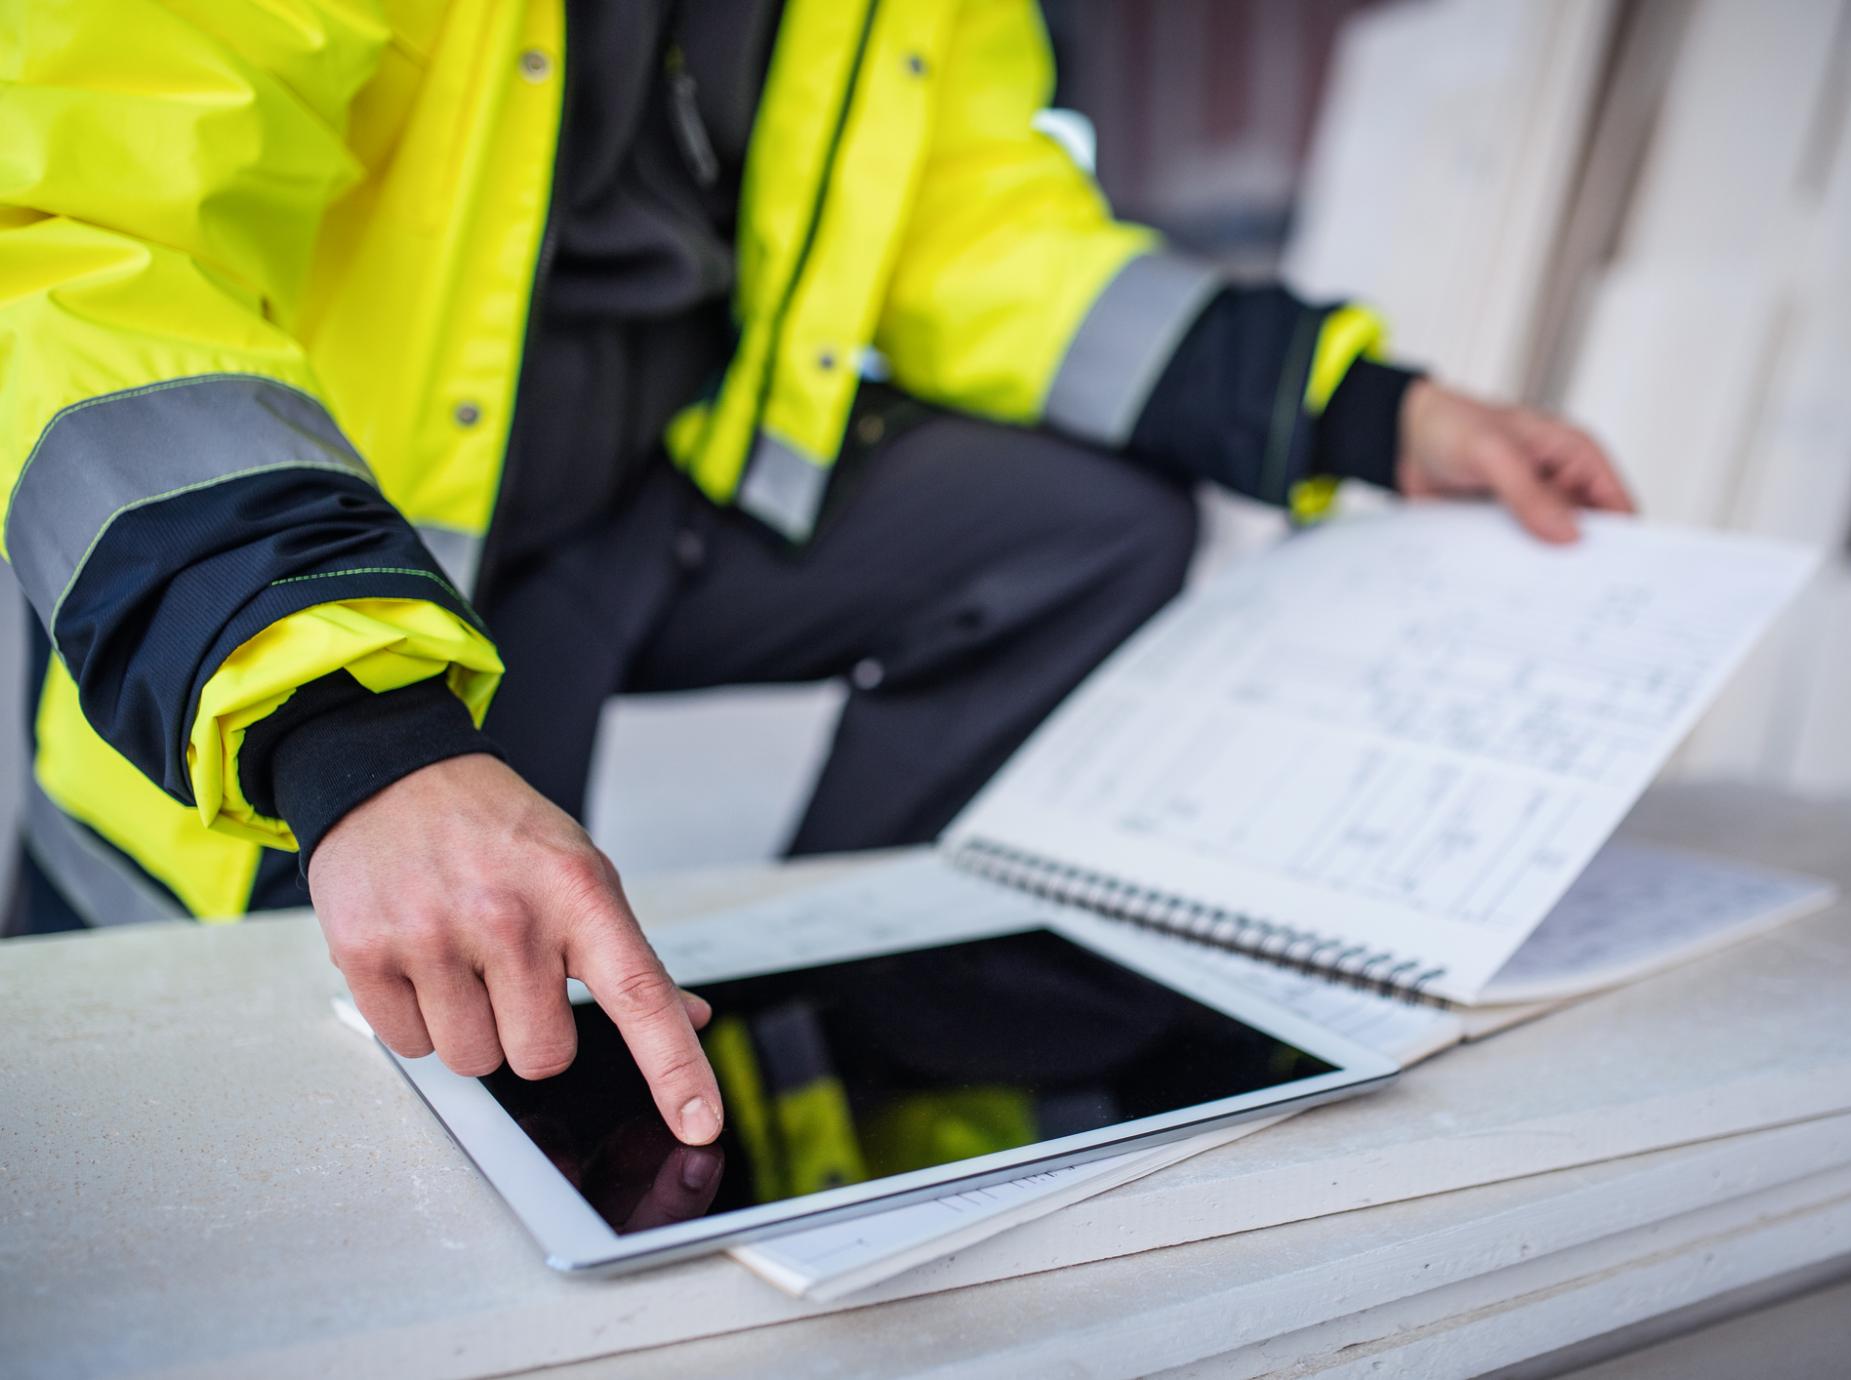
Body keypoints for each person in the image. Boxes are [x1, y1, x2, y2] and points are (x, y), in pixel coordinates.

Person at [0, 1, 1632, 1147]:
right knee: (311, 1124)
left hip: (668, 482)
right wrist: (355, 727)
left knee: (1088, 525)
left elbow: (976, 228)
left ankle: (870, 1033)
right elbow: (72, 223)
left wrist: (1369, 408)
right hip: (361, 544)